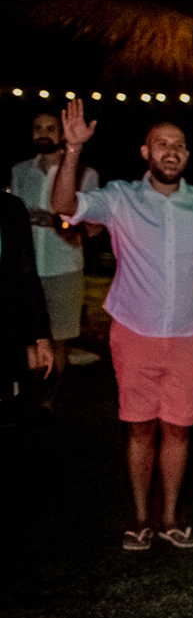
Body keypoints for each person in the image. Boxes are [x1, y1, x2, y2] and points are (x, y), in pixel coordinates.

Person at [51, 100, 193, 550]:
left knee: (179, 429)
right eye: (162, 143)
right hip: (134, 332)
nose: (171, 151)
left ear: (187, 155)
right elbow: (64, 206)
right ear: (146, 152)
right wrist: (73, 150)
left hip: (189, 336)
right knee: (140, 428)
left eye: (178, 145)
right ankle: (141, 518)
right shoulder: (121, 197)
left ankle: (170, 517)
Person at [9, 111, 102, 418]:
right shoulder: (20, 171)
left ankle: (49, 400)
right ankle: (24, 396)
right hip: (25, 271)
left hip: (64, 266)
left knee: (59, 339)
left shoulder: (85, 172)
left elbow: (93, 225)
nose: (43, 133)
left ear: (62, 133)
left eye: (50, 128)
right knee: (25, 339)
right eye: (38, 128)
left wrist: (56, 221)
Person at [0, 190, 54, 426]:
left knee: (9, 408)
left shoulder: (10, 208)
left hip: (5, 325)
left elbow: (26, 272)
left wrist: (40, 336)